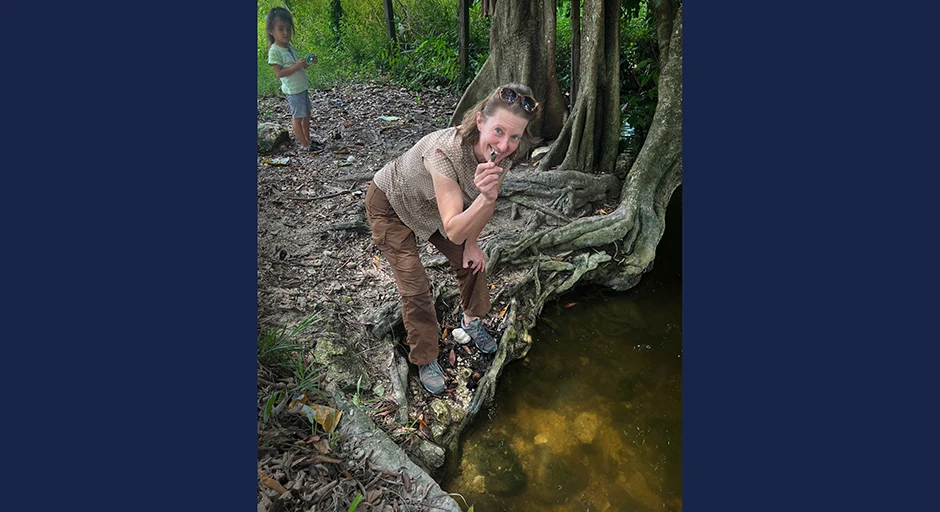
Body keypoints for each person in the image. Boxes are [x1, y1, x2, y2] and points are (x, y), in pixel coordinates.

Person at [365, 84, 540, 394]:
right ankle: (425, 357)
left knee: (473, 262)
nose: (505, 144)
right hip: (391, 203)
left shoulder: (502, 156)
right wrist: (487, 200)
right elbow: (456, 227)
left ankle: (471, 321)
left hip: (435, 208)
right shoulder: (444, 151)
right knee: (416, 286)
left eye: (514, 137)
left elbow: (469, 222)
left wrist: (472, 244)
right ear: (480, 122)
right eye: (498, 131)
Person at [265, 7, 317, 152]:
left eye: (288, 29)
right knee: (298, 117)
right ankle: (303, 144)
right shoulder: (274, 51)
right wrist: (296, 66)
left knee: (307, 114)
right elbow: (279, 73)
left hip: (302, 87)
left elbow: (298, 66)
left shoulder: (289, 47)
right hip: (293, 90)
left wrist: (308, 62)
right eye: (281, 29)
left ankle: (308, 139)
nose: (286, 33)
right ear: (271, 31)